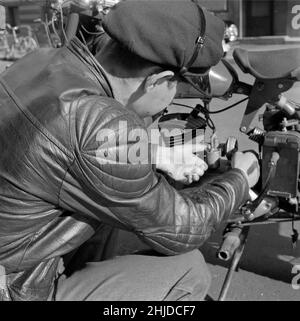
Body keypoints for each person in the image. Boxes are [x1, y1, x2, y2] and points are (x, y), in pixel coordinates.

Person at [0, 0, 259, 301]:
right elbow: (183, 227)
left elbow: (64, 145)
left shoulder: (43, 60)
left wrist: (157, 154)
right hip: (18, 287)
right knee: (188, 271)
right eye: (178, 87)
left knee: (120, 219)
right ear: (159, 81)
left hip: (16, 251)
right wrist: (240, 178)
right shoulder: (100, 124)